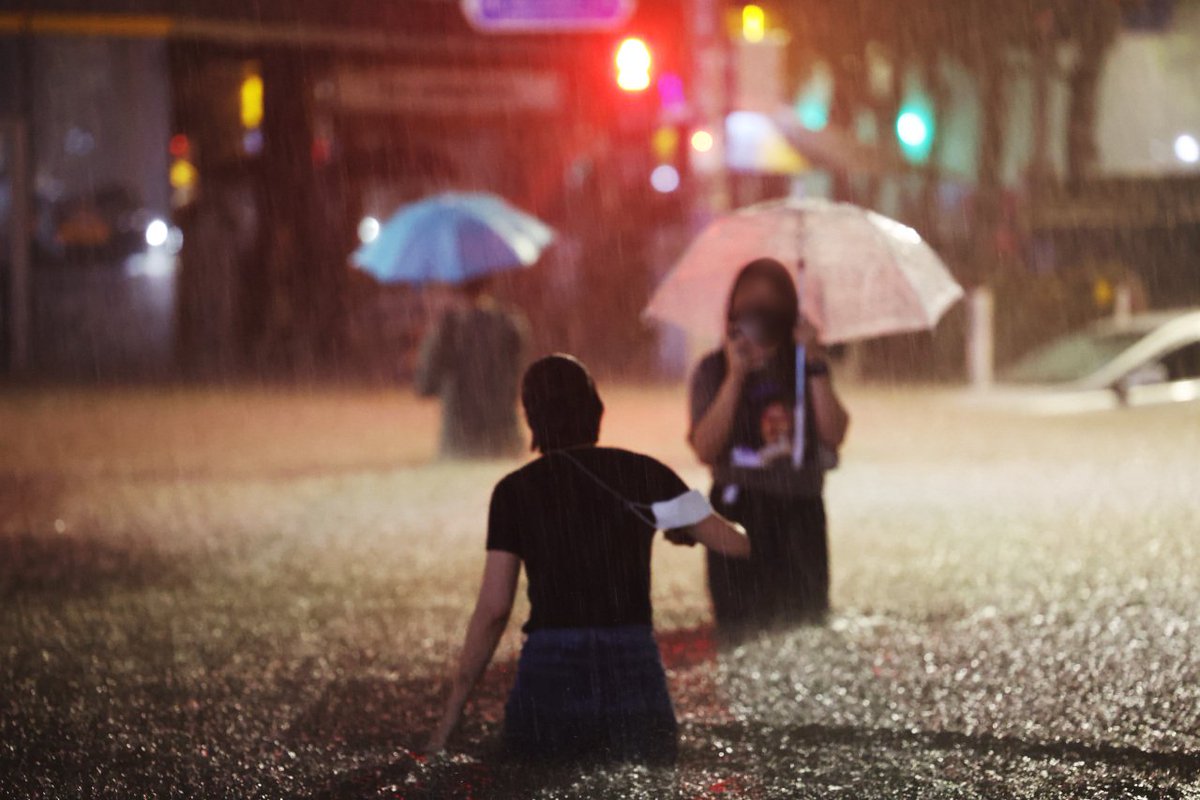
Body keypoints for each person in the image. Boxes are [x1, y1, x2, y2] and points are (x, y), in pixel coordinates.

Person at [427, 354, 749, 763]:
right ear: (596, 408)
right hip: (632, 663)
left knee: (535, 778)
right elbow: (735, 544)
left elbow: (494, 609)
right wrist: (687, 526)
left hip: (550, 671)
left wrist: (452, 714)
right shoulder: (644, 473)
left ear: (532, 418)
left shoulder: (514, 492)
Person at [689, 258, 850, 634]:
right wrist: (735, 376)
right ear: (733, 311)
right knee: (737, 627)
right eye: (750, 304)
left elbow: (834, 433)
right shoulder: (713, 369)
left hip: (799, 511)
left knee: (805, 624)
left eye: (771, 303)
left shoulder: (803, 365)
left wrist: (815, 364)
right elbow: (705, 448)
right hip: (736, 510)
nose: (760, 314)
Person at [414, 278, 530, 458]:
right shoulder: (510, 324)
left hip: (461, 434)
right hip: (503, 431)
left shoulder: (449, 327)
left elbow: (426, 384)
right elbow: (518, 374)